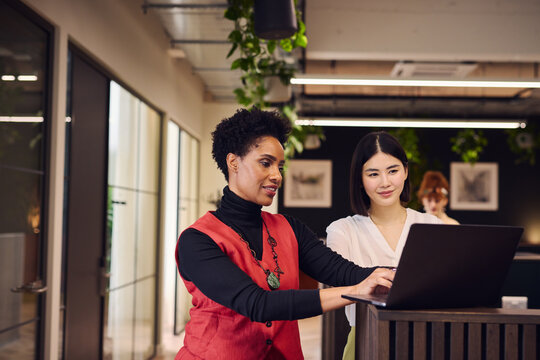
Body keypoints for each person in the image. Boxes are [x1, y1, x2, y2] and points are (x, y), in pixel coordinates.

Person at [175, 108, 395, 359]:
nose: (277, 176)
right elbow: (257, 304)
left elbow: (343, 272)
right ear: (233, 162)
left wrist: (397, 275)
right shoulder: (197, 241)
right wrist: (356, 291)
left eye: (280, 166)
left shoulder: (289, 228)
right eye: (265, 163)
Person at [325, 131, 442, 360]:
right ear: (359, 178)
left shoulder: (432, 225)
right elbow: (336, 292)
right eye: (373, 174)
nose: (385, 182)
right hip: (366, 341)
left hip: (424, 341)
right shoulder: (343, 231)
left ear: (406, 171)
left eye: (393, 171)